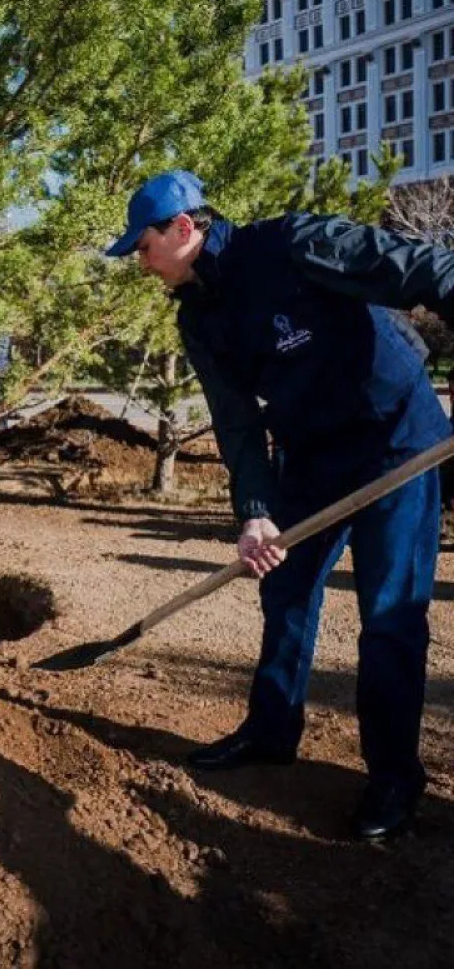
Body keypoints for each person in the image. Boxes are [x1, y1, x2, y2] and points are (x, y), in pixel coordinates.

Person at [106, 170, 454, 841]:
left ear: (183, 229)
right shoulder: (198, 316)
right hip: (312, 458)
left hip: (397, 444)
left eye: (142, 247)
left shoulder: (296, 243)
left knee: (389, 619)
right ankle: (271, 731)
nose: (140, 263)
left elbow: (426, 270)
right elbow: (236, 423)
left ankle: (393, 779)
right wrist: (257, 510)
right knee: (285, 590)